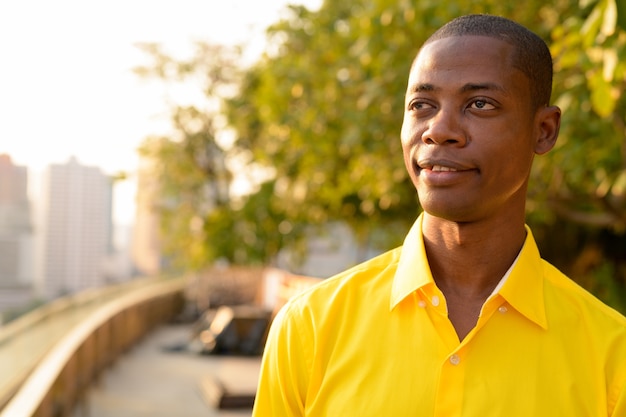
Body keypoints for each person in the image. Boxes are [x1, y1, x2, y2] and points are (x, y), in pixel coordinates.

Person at [252, 14, 626, 416]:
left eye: (480, 104)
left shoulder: (611, 355)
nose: (439, 129)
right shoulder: (308, 328)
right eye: (422, 105)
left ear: (544, 130)